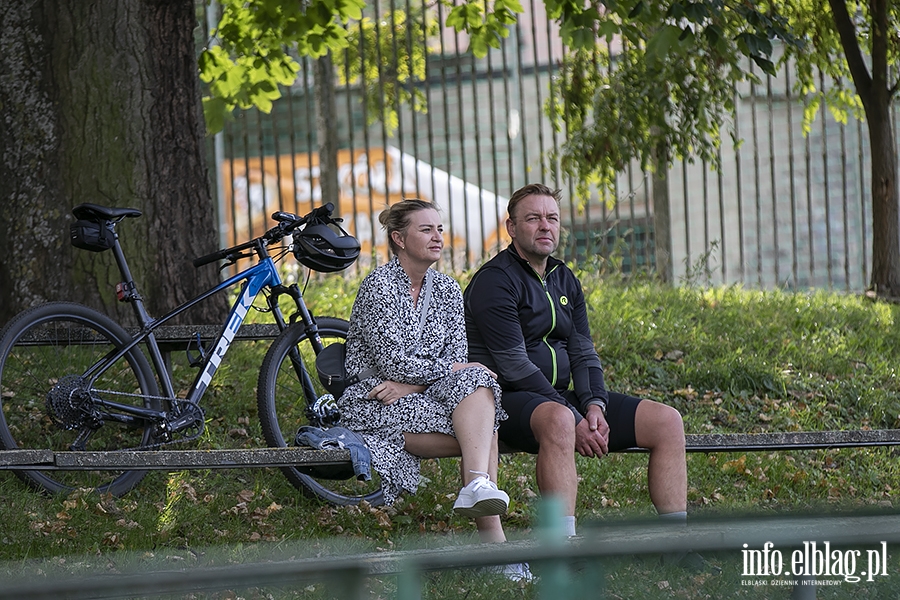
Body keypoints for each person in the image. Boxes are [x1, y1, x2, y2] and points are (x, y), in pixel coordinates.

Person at [463, 183, 689, 537]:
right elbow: (514, 365)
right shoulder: (495, 281)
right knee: (559, 420)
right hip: (504, 401)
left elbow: (583, 351)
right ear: (511, 227)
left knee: (667, 422)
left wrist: (594, 406)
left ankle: (679, 544)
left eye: (552, 218)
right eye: (533, 218)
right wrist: (573, 415)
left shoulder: (563, 277)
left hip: (559, 400)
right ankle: (562, 548)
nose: (545, 226)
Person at [336, 198, 510, 543]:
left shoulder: (446, 289)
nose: (437, 237)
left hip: (420, 396)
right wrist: (450, 370)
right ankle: (494, 543)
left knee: (479, 382)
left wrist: (413, 386)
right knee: (484, 428)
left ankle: (478, 492)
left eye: (440, 230)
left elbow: (457, 357)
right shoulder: (379, 285)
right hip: (374, 397)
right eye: (426, 229)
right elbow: (392, 364)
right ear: (399, 239)